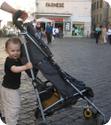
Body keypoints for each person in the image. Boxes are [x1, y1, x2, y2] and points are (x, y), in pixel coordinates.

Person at [0, 37, 32, 125]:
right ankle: (11, 122)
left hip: (9, 87)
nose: (16, 53)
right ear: (7, 51)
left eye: (18, 50)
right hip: (9, 89)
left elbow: (21, 62)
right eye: (13, 50)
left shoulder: (17, 59)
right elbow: (14, 69)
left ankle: (4, 118)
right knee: (14, 107)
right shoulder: (9, 60)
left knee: (6, 105)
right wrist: (26, 67)